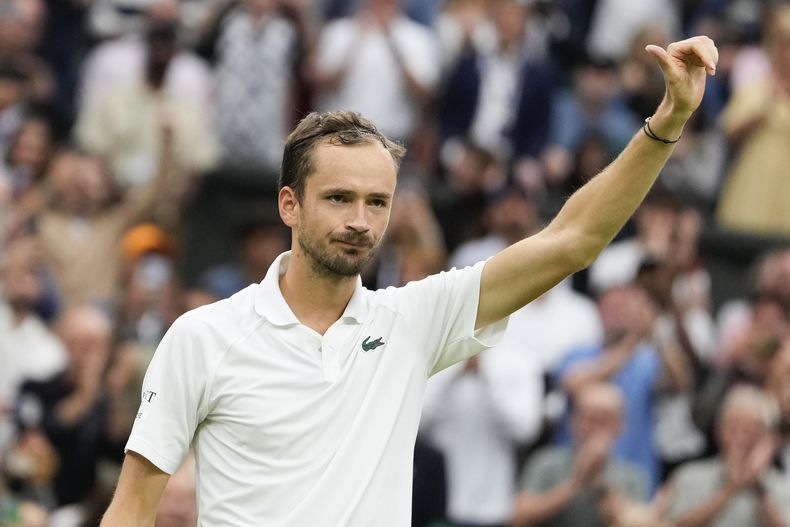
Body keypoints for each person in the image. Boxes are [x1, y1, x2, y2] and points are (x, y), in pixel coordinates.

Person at [101, 35, 719, 525]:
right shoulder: (202, 335)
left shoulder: (414, 321)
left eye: (377, 202)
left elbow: (572, 241)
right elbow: (132, 509)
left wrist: (668, 120)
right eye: (339, 198)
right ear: (289, 204)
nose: (360, 222)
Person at [512, 383, 648, 527]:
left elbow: (637, 521)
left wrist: (601, 485)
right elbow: (518, 518)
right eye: (589, 418)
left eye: (605, 420)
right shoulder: (547, 462)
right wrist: (575, 482)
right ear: (574, 422)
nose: (595, 427)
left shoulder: (633, 476)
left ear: (620, 425)